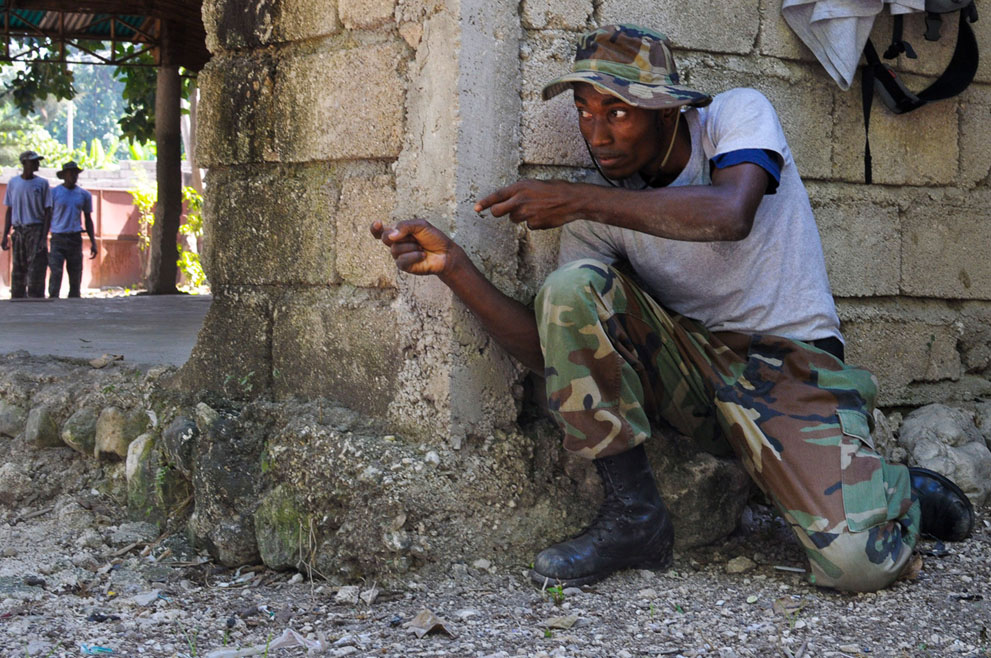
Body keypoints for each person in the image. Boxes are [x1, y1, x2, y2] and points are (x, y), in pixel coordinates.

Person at [371, 25, 975, 592]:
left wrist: (580, 199)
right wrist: (455, 269)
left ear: (669, 110)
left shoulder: (734, 117)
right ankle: (635, 518)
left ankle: (897, 492)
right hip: (695, 374)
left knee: (855, 566)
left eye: (618, 112)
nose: (597, 133)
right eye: (584, 111)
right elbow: (551, 348)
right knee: (570, 287)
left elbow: (730, 215)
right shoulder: (596, 215)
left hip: (792, 370)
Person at [2, 150, 52, 299]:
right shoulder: (13, 183)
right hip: (18, 230)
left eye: (37, 161)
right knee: (18, 268)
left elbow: (48, 211)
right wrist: (5, 235)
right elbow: (9, 210)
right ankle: (18, 299)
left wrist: (43, 236)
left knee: (37, 268)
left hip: (36, 229)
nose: (37, 164)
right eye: (33, 161)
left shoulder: (42, 183)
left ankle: (36, 300)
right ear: (24, 163)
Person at [48, 161, 96, 299]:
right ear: (64, 175)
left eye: (75, 173)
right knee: (56, 272)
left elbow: (88, 219)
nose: (73, 176)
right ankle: (53, 300)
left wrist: (93, 241)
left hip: (74, 237)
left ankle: (74, 302)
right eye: (70, 173)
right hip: (58, 237)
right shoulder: (54, 193)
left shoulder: (84, 195)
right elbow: (47, 215)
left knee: (75, 274)